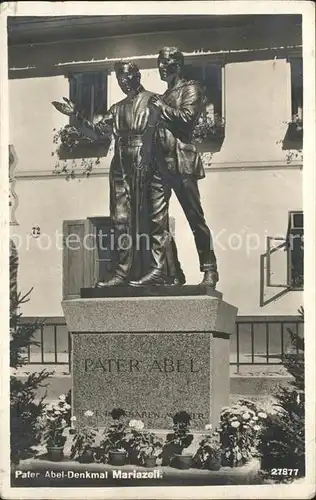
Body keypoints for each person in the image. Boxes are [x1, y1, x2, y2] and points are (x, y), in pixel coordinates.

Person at [52, 61, 185, 286]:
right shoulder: (117, 108)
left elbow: (169, 131)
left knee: (153, 219)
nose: (123, 83)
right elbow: (97, 134)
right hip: (122, 165)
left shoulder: (154, 100)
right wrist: (76, 115)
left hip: (148, 160)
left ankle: (166, 271)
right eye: (119, 79)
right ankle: (123, 272)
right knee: (121, 219)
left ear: (137, 75)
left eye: (127, 77)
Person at [130, 47, 219, 288]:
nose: (160, 68)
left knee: (194, 218)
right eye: (158, 63)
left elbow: (187, 118)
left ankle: (209, 269)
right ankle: (169, 271)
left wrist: (161, 108)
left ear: (177, 65)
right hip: (159, 165)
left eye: (165, 64)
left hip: (181, 162)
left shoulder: (191, 89)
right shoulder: (165, 94)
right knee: (156, 221)